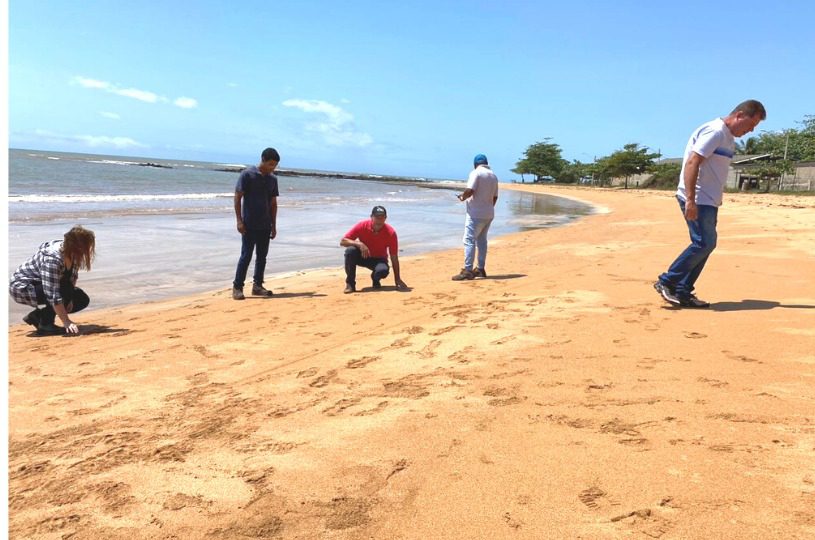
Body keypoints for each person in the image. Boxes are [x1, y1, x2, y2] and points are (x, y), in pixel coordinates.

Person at [654, 99, 766, 308]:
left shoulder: (728, 137)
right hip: (698, 198)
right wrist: (690, 200)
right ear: (740, 115)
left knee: (706, 244)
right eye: (751, 125)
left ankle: (683, 291)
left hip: (709, 200)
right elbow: (692, 162)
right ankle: (667, 281)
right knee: (703, 243)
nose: (751, 131)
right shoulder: (715, 131)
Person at [9, 225, 95, 335]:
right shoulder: (53, 259)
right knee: (63, 290)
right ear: (77, 247)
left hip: (44, 285)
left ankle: (39, 316)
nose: (89, 250)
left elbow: (71, 277)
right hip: (23, 288)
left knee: (80, 298)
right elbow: (52, 293)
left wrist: (68, 298)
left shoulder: (72, 253)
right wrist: (66, 321)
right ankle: (45, 324)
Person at [232, 147, 280, 300]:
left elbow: (273, 203)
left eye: (275, 165)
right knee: (246, 255)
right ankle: (237, 287)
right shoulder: (247, 175)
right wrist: (239, 221)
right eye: (271, 164)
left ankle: (257, 286)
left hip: (265, 225)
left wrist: (274, 225)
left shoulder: (273, 179)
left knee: (262, 257)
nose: (272, 168)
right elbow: (237, 197)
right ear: (263, 160)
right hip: (249, 224)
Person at [452, 153, 499, 281]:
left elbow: (470, 190)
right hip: (489, 213)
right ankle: (480, 268)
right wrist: (487, 207)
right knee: (482, 241)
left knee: (469, 240)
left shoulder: (476, 173)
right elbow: (495, 197)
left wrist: (462, 197)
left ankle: (468, 270)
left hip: (475, 214)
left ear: (475, 164)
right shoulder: (493, 176)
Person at [340, 205, 408, 293]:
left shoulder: (390, 233)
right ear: (371, 217)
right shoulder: (362, 226)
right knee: (350, 251)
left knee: (383, 271)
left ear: (385, 218)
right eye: (377, 217)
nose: (379, 220)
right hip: (363, 256)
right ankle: (350, 284)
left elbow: (394, 257)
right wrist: (358, 243)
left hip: (379, 259)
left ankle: (375, 279)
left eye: (382, 217)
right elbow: (343, 241)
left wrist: (397, 279)